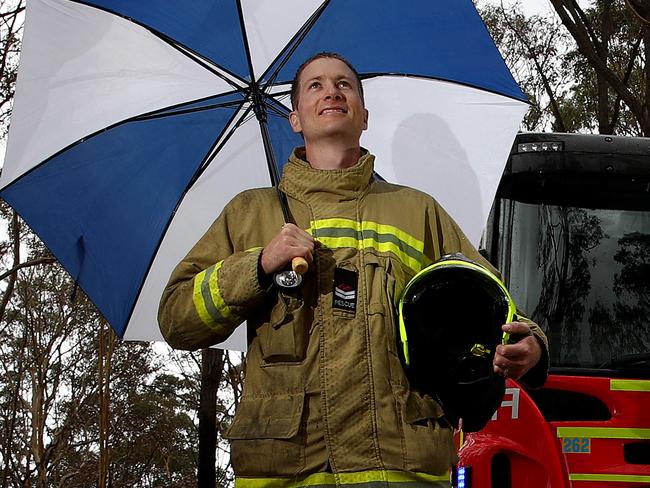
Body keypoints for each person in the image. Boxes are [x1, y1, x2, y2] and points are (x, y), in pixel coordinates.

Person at [158, 52, 547, 488]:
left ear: (363, 116)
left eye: (344, 84)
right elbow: (176, 319)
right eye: (315, 85)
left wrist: (531, 344)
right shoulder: (249, 213)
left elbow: (492, 301)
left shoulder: (417, 210)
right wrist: (259, 265)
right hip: (286, 472)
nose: (332, 91)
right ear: (295, 120)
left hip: (404, 471)